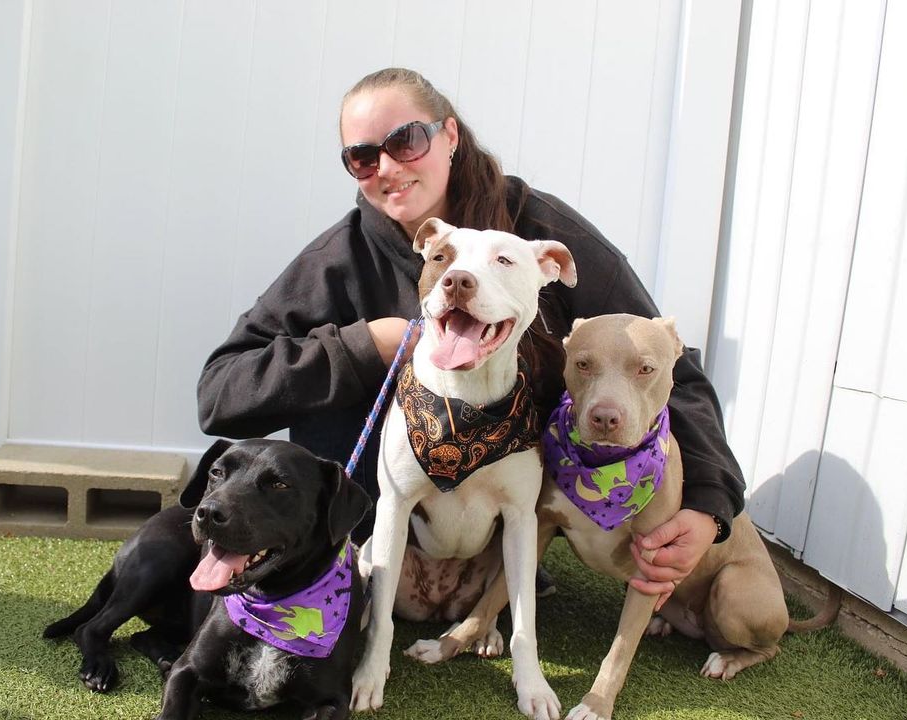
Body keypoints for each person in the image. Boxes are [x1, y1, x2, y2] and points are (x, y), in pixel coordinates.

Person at [196, 67, 744, 604]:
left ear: (449, 134)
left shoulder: (540, 232)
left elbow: (668, 365)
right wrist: (367, 347)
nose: (386, 167)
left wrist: (708, 504)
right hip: (381, 534)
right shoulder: (337, 261)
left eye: (405, 141)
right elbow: (221, 391)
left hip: (508, 531)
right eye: (362, 157)